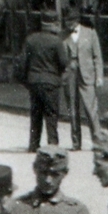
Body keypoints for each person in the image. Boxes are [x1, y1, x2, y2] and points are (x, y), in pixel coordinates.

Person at [18, 12, 70, 152]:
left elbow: (23, 62)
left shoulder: (31, 39)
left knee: (36, 113)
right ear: (53, 24)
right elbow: (64, 62)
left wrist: (25, 80)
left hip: (34, 81)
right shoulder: (56, 41)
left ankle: (33, 144)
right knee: (51, 114)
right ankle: (52, 144)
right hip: (51, 82)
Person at [65, 7, 104, 151]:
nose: (68, 24)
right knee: (73, 110)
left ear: (76, 21)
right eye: (67, 21)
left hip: (87, 75)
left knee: (91, 109)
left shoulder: (90, 33)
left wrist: (99, 76)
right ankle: (76, 143)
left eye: (70, 21)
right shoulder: (63, 36)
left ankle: (97, 141)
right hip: (70, 75)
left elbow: (97, 56)